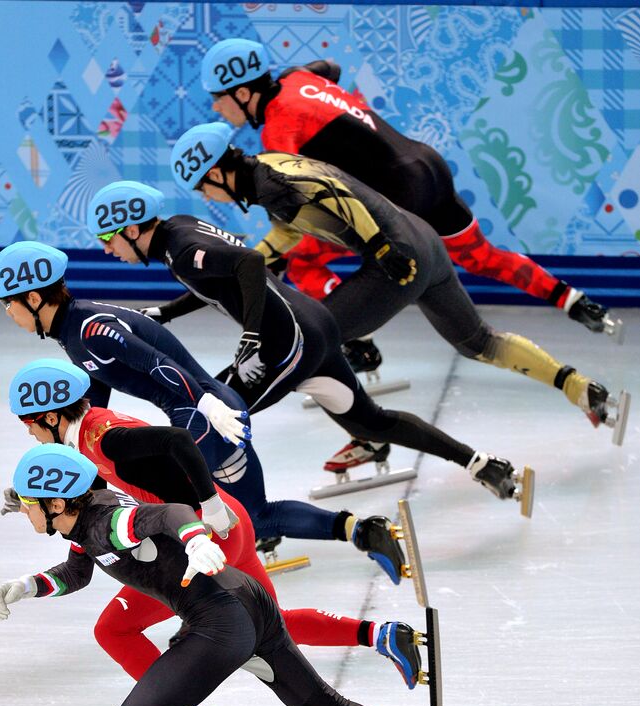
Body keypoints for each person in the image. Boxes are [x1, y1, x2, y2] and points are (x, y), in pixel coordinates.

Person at [0, 443, 490, 706]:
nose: (23, 511)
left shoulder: (109, 523)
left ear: (58, 502)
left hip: (218, 619)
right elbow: (79, 571)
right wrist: (28, 586)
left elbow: (169, 514)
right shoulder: (83, 518)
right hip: (248, 600)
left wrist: (194, 538)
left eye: (29, 504)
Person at [170, 122, 629, 470]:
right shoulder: (269, 167)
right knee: (478, 342)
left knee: (309, 343)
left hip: (397, 258)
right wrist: (255, 256)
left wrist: (381, 246)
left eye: (203, 186)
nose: (209, 196)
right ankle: (578, 386)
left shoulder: (270, 182)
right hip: (424, 242)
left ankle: (370, 435)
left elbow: (335, 193)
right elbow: (293, 226)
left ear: (216, 172)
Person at [0, 240, 422, 587]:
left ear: (32, 296)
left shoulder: (88, 328)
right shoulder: (74, 334)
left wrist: (206, 401)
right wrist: (44, 483)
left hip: (202, 416)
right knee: (255, 514)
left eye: (8, 305)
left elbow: (158, 364)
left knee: (167, 503)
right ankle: (365, 530)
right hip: (209, 411)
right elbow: (89, 413)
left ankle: (199, 599)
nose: (8, 316)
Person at [87, 179, 530, 508]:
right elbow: (216, 282)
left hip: (286, 343)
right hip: (312, 326)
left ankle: (254, 526)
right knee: (371, 423)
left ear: (130, 228)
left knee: (206, 421)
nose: (107, 251)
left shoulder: (181, 248)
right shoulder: (179, 233)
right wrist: (166, 313)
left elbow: (251, 263)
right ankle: (479, 462)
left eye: (108, 240)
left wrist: (253, 333)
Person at [3, 357, 426, 689]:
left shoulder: (105, 437)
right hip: (227, 524)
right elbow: (91, 482)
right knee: (271, 623)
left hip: (204, 535)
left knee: (115, 629)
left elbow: (178, 439)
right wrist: (28, 494)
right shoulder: (87, 437)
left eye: (30, 424)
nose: (29, 434)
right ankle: (383, 634)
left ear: (53, 417)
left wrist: (207, 503)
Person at [200, 37, 619, 339]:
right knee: (482, 257)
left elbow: (290, 207)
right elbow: (330, 68)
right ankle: (575, 300)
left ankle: (353, 345)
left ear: (241, 92)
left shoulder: (279, 129)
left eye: (218, 99)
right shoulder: (296, 77)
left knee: (304, 261)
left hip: (399, 193)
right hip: (428, 166)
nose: (216, 108)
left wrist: (269, 256)